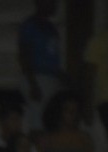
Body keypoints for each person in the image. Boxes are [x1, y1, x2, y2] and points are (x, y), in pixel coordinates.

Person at [18, 0, 62, 131]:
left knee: (49, 121)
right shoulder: (30, 25)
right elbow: (24, 55)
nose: (54, 5)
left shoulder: (51, 28)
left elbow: (51, 57)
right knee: (38, 122)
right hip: (37, 77)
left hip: (51, 79)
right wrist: (33, 83)